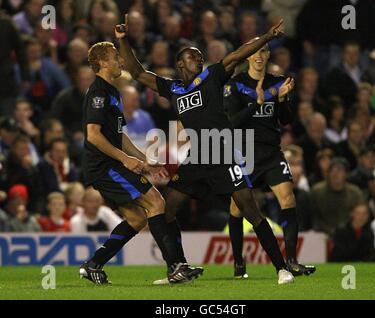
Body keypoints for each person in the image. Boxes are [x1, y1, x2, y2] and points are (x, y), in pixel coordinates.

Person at [116, 15, 294, 285]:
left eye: (200, 56)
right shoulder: (173, 88)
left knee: (250, 209)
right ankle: (177, 268)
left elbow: (236, 55)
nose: (199, 59)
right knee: (166, 211)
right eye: (192, 56)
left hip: (222, 154)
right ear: (179, 63)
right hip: (196, 158)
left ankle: (282, 268)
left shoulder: (212, 76)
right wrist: (123, 40)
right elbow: (138, 72)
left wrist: (267, 37)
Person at [80, 41, 202, 284]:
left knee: (138, 218)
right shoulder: (98, 93)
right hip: (105, 167)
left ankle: (93, 265)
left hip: (110, 165)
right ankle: (175, 267)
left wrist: (142, 159)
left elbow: (119, 134)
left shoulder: (113, 91)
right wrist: (125, 159)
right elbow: (93, 135)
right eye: (116, 56)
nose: (121, 60)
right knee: (157, 202)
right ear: (102, 62)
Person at [223, 44, 315, 277]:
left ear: (268, 55)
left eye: (263, 51)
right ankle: (239, 263)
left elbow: (286, 121)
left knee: (288, 199)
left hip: (271, 152)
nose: (259, 56)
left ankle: (292, 260)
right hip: (244, 153)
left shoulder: (278, 82)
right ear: (248, 56)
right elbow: (232, 122)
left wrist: (282, 100)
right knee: (237, 208)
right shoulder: (235, 84)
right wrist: (257, 104)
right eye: (255, 52)